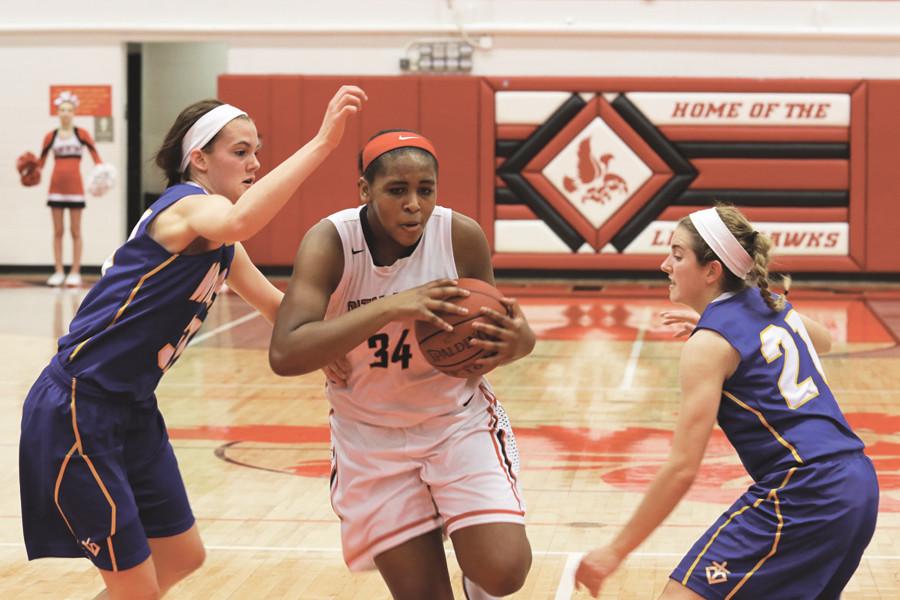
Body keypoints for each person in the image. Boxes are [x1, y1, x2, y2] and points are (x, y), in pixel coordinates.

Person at [19, 85, 367, 599]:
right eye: (241, 151)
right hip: (78, 408)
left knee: (182, 555)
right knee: (136, 588)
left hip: (133, 409)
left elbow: (275, 306)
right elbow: (241, 218)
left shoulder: (222, 243)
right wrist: (322, 144)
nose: (254, 163)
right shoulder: (185, 208)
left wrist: (327, 354)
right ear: (199, 159)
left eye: (257, 151)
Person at [269, 130, 536, 600]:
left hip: (456, 424)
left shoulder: (459, 236)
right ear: (365, 190)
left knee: (503, 571)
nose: (414, 203)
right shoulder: (331, 241)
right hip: (369, 438)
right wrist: (393, 306)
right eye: (397, 190)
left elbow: (496, 334)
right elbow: (285, 353)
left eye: (425, 190)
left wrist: (519, 341)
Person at [575, 206, 879, 599]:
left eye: (678, 254)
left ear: (712, 271)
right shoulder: (769, 303)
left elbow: (683, 469)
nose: (665, 264)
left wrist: (614, 551)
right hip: (858, 483)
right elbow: (823, 340)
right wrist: (726, 334)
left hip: (803, 489)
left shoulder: (710, 344)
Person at [39, 91, 104, 287]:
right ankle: (58, 270)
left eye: (69, 110)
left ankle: (75, 271)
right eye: (62, 110)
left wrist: (103, 177)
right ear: (57, 113)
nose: (65, 113)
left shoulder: (81, 134)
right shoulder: (50, 136)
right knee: (58, 231)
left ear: (74, 112)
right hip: (56, 188)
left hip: (76, 189)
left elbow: (97, 161)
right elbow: (39, 164)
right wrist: (28, 169)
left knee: (75, 231)